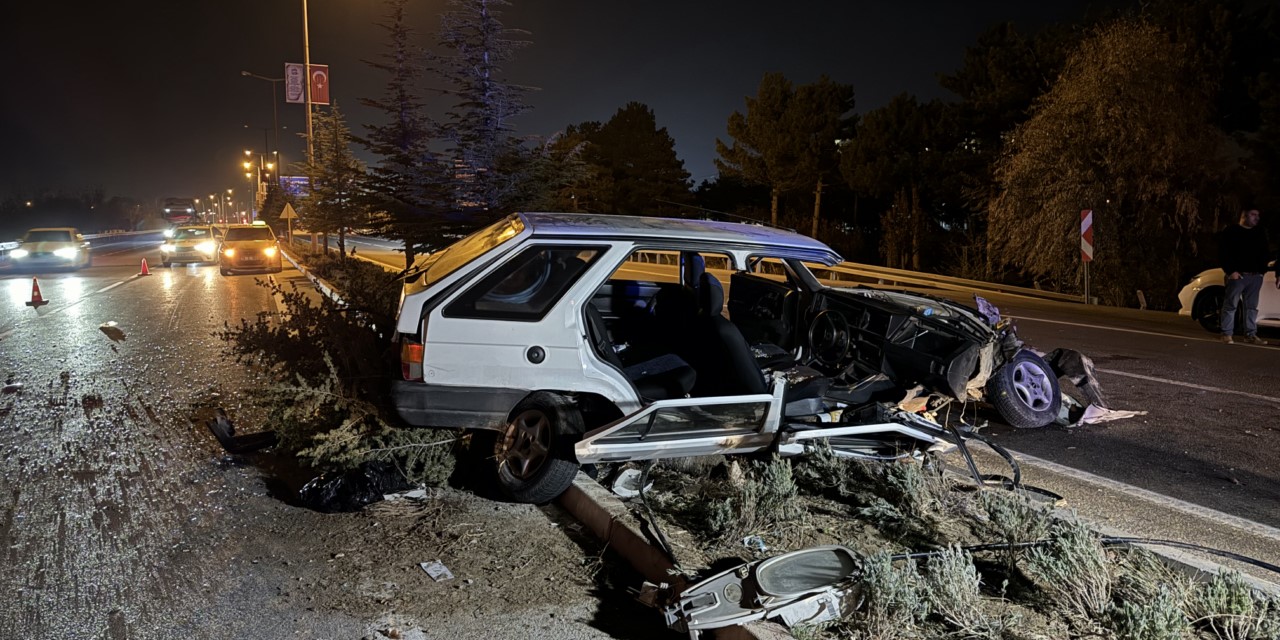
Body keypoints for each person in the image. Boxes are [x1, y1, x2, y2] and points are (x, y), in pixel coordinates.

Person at [1218, 208, 1270, 344]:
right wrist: (1231, 271)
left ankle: (1250, 335)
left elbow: (1265, 252)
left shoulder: (1259, 233)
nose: (1257, 218)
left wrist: (1261, 272)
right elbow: (1223, 253)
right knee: (1231, 305)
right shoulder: (1231, 231)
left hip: (1255, 276)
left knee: (1252, 307)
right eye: (1253, 215)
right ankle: (1226, 334)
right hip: (1238, 276)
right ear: (1244, 216)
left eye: (1258, 215)